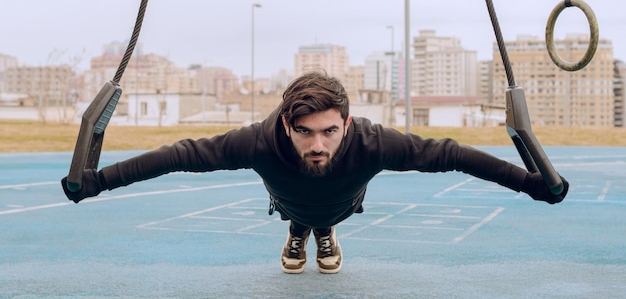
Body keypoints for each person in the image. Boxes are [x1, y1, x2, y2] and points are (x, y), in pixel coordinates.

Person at [62, 71, 568, 274]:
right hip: (287, 199)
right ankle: (301, 233)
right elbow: (177, 155)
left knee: (326, 215)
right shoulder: (257, 142)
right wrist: (99, 180)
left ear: (346, 123)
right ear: (286, 124)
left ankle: (318, 233)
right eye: (304, 133)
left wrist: (529, 183)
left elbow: (453, 152)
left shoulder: (374, 142)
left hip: (345, 205)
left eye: (329, 131)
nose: (318, 144)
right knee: (298, 211)